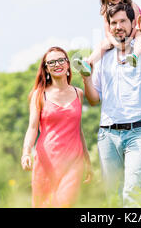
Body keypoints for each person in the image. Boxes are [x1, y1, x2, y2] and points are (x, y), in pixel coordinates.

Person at [82, 2, 141, 207]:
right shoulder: (102, 57)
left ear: (133, 23)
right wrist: (86, 79)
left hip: (138, 132)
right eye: (113, 22)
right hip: (108, 134)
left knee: (132, 193)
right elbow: (93, 99)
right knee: (112, 199)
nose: (118, 26)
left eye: (123, 21)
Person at [21, 46, 93, 208]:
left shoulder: (78, 93)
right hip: (46, 160)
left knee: (65, 203)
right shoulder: (39, 95)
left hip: (74, 160)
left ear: (68, 65)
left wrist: (87, 159)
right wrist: (26, 152)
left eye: (61, 60)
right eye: (51, 62)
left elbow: (78, 129)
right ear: (46, 68)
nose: (57, 64)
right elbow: (32, 128)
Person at [72, 0, 141, 76]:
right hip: (118, 35)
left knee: (140, 37)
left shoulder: (132, 6)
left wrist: (128, 41)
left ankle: (135, 56)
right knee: (104, 44)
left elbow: (136, 25)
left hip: (135, 31)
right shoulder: (107, 10)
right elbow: (108, 32)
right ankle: (89, 63)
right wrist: (116, 44)